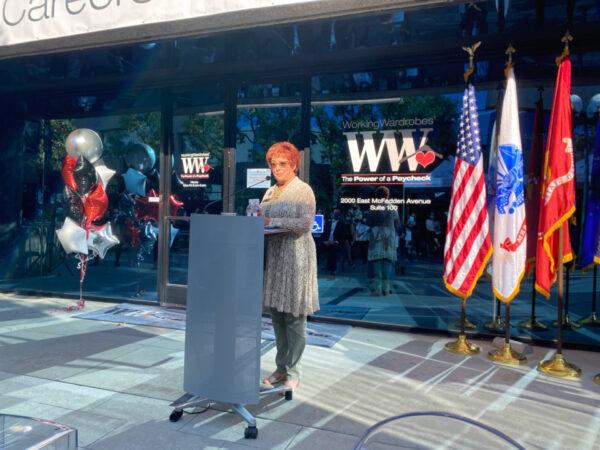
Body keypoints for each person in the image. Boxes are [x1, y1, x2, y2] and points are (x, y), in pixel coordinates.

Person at [259, 141, 319, 392]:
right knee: (277, 315)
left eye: (283, 164)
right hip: (275, 256)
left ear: (294, 164)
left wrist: (273, 220)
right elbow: (261, 217)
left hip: (296, 257)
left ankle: (293, 371)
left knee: (294, 317)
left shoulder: (303, 190)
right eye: (273, 164)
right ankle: (281, 367)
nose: (277, 168)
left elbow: (305, 223)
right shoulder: (270, 192)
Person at [367, 186, 399, 296]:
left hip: (376, 235)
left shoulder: (373, 207)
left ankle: (378, 289)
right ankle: (386, 288)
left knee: (377, 261)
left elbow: (369, 222)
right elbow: (396, 223)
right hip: (389, 235)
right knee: (387, 261)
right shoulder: (392, 207)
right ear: (388, 195)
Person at [322, 208, 352, 277]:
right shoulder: (327, 223)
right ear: (332, 214)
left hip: (336, 243)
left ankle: (331, 269)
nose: (336, 215)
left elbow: (344, 236)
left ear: (339, 215)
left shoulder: (342, 224)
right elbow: (323, 234)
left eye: (337, 213)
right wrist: (324, 241)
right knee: (317, 245)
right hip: (327, 241)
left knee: (332, 248)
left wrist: (335, 241)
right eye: (335, 213)